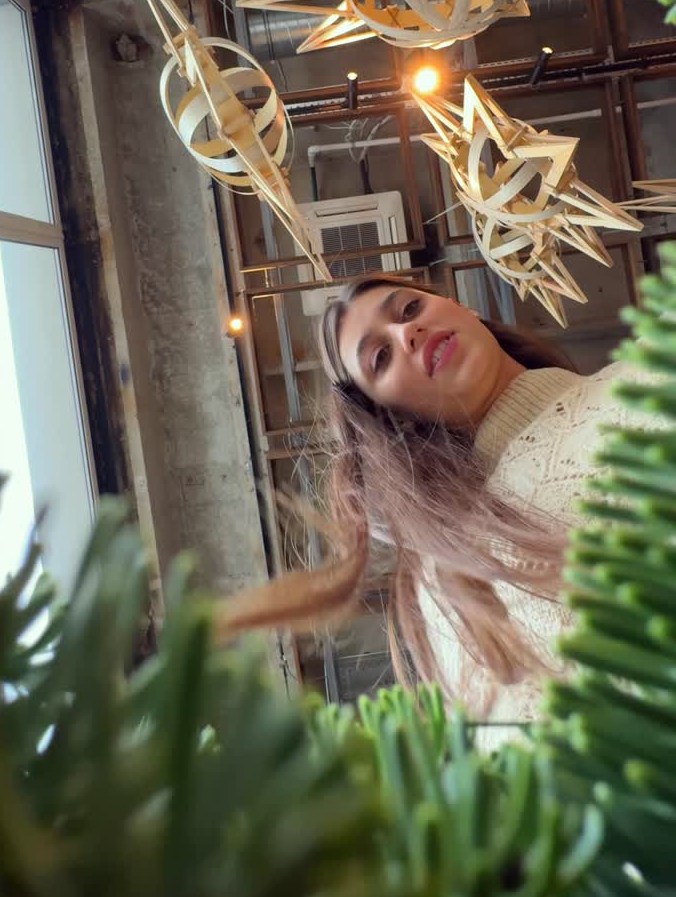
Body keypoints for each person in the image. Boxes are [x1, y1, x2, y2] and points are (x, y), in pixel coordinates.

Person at [221, 273, 652, 727]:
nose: (407, 332)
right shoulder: (460, 573)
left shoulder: (650, 360)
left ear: (459, 306)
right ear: (393, 420)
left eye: (410, 309)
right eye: (381, 357)